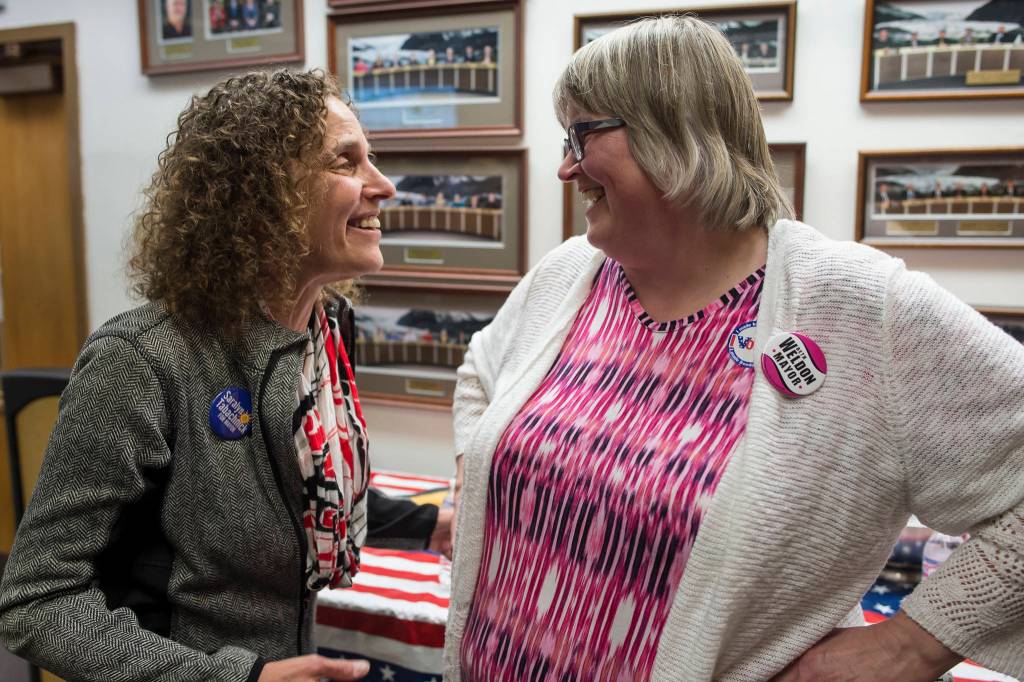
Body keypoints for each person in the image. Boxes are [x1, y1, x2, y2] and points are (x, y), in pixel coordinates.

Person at [445, 16, 1024, 681]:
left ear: (675, 130)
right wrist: (475, 477)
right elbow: (480, 375)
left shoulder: (858, 306)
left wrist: (911, 647)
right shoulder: (565, 277)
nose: (565, 167)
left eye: (583, 134)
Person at [0, 69, 416, 681]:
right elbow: (37, 603)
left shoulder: (323, 330)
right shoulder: (143, 356)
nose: (383, 185)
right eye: (346, 162)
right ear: (264, 193)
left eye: (371, 159)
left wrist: (427, 523)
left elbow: (301, 485)